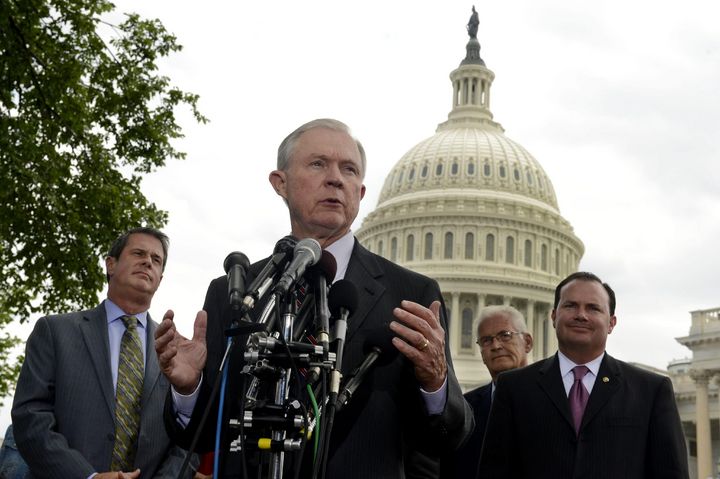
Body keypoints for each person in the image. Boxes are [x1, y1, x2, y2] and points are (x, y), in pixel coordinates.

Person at [155, 118, 474, 477]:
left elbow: (446, 439)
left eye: (349, 169)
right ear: (281, 183)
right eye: (319, 164)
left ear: (360, 193)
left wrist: (435, 383)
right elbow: (201, 437)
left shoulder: (411, 295)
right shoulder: (234, 292)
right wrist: (190, 389)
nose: (336, 178)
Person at [12, 227, 194, 479]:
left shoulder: (175, 351)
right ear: (111, 264)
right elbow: (30, 417)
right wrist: (88, 477)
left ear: (160, 279)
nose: (147, 262)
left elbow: (188, 437)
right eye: (138, 253)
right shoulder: (55, 331)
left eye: (156, 259)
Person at [477, 272, 689, 479]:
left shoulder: (650, 391)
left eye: (593, 308)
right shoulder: (514, 388)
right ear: (554, 316)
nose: (581, 315)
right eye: (570, 306)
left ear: (611, 323)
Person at [440, 305, 532, 479]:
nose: (496, 345)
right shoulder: (464, 409)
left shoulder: (556, 400)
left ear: (527, 342)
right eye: (486, 340)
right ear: (481, 353)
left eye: (505, 335)